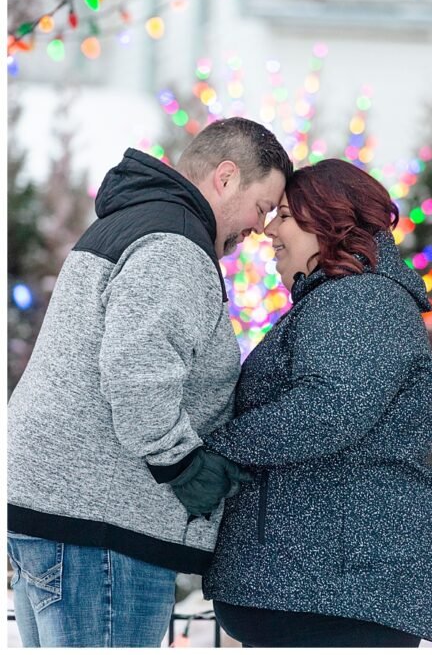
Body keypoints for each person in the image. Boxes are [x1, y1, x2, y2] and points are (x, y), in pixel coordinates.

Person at [7, 118, 292, 647]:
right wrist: (182, 464)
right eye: (262, 206)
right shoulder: (176, 245)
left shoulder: (136, 222)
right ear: (226, 178)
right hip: (103, 526)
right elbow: (138, 373)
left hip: (58, 508)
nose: (260, 227)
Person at [201, 159, 432, 648]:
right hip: (324, 587)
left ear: (329, 221)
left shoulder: (363, 299)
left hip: (341, 589)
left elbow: (328, 410)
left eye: (285, 216)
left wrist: (216, 449)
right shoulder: (342, 299)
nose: (269, 230)